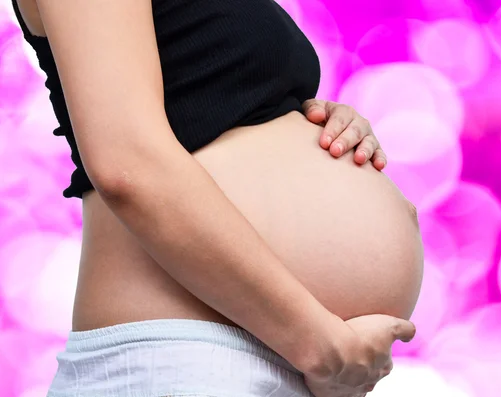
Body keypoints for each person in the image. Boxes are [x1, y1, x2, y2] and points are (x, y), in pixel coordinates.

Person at [11, 0, 424, 396]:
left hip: (266, 356)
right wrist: (318, 343)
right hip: (188, 356)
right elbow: (127, 163)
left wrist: (312, 120)